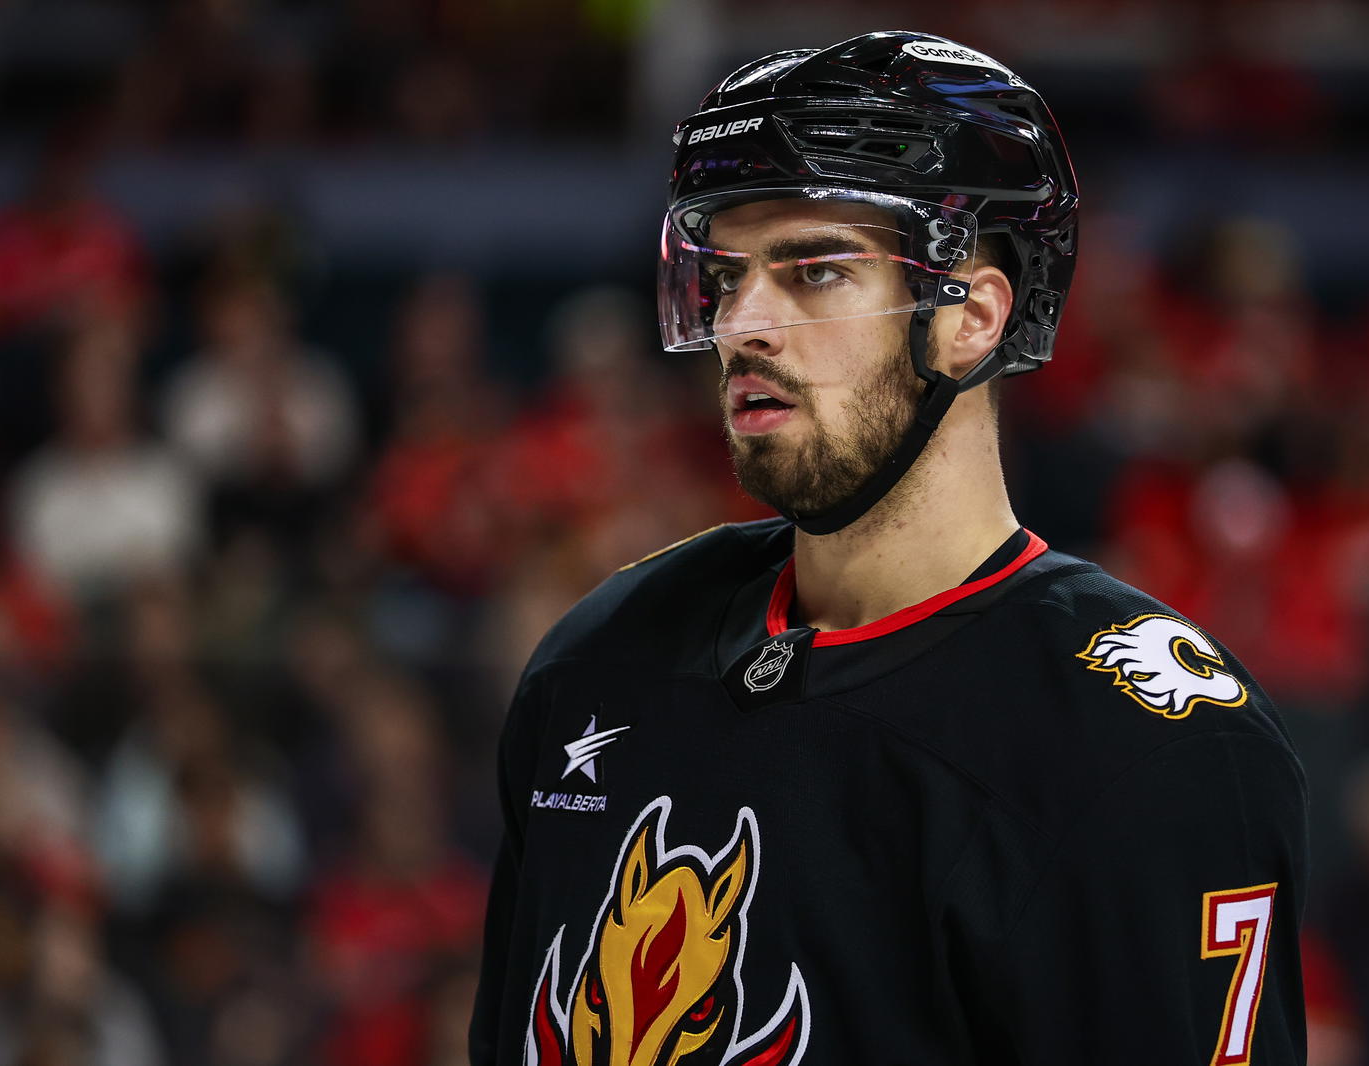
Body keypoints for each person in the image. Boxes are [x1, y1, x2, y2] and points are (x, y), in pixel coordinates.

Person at [471, 30, 1309, 1065]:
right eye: (726, 276)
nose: (743, 324)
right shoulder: (600, 658)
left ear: (973, 318)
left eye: (814, 270)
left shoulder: (1141, 741)